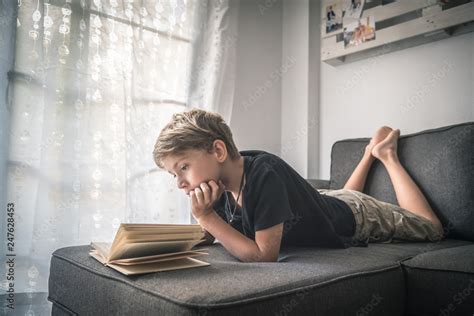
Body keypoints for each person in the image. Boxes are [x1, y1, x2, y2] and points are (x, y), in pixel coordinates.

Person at [152, 109, 444, 262]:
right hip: (325, 201)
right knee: (343, 197)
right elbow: (210, 235)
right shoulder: (216, 183)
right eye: (173, 175)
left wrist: (206, 217)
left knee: (432, 230)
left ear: (218, 151)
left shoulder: (264, 175)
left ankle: (385, 155)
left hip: (357, 215)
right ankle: (368, 154)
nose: (180, 183)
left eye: (183, 167)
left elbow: (263, 256)